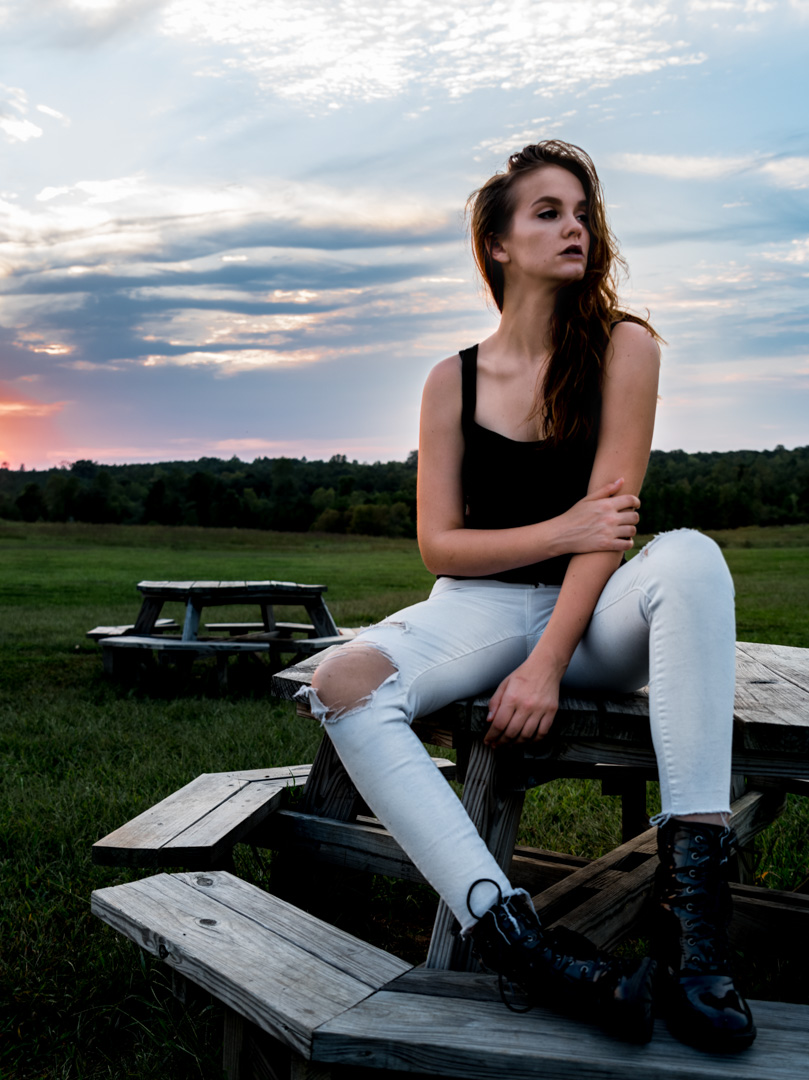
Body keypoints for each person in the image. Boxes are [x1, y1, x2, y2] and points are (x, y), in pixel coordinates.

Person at [297, 141, 755, 1052]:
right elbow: (441, 543)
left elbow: (613, 525)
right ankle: (522, 948)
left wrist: (548, 664)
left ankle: (694, 931)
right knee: (344, 683)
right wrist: (559, 530)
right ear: (497, 244)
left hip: (591, 615)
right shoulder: (449, 381)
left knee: (693, 558)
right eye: (548, 211)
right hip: (473, 606)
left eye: (583, 210)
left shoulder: (626, 346)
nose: (575, 225)